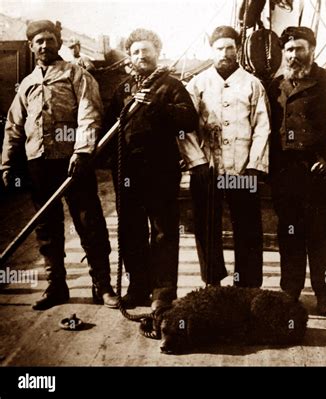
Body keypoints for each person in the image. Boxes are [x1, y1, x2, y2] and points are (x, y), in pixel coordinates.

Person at [1, 20, 118, 310]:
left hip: (73, 162)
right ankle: (56, 287)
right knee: (47, 227)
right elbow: (14, 127)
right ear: (31, 46)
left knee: (89, 222)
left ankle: (102, 286)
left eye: (49, 40)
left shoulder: (76, 75)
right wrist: (6, 165)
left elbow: (89, 114)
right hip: (39, 163)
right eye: (38, 41)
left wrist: (81, 151)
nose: (44, 45)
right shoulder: (26, 84)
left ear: (58, 42)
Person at [104, 28, 199, 311]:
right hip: (127, 172)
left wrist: (158, 107)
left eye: (146, 50)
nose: (141, 56)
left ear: (157, 53)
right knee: (130, 230)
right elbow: (107, 127)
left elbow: (189, 120)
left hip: (161, 171)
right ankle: (137, 288)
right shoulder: (122, 89)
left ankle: (163, 292)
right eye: (135, 52)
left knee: (163, 232)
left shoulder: (171, 85)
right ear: (130, 57)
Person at [183, 26, 270, 287]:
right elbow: (185, 127)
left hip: (241, 170)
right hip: (207, 168)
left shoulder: (252, 84)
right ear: (211, 50)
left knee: (247, 227)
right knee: (207, 226)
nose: (225, 53)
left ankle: (247, 285)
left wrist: (255, 165)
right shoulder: (198, 83)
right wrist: (196, 161)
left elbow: (262, 126)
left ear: (238, 49)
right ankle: (212, 282)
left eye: (230, 47)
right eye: (219, 48)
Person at [267, 26, 326, 315]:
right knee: (289, 233)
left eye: (299, 49)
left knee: (321, 236)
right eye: (289, 50)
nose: (294, 55)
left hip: (316, 172)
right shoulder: (275, 87)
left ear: (312, 49)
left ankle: (325, 297)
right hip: (285, 172)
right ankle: (290, 291)